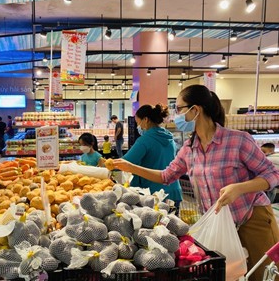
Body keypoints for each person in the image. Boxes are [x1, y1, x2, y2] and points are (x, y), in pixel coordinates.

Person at [113, 84, 279, 281]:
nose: (177, 115)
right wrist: (130, 167)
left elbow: (272, 174)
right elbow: (167, 176)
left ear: (195, 110)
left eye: (180, 108)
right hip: (218, 223)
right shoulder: (189, 148)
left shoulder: (237, 141)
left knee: (262, 276)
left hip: (252, 217)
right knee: (227, 275)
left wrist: (239, 188)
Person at [123, 104, 182, 210]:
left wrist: (106, 163)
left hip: (155, 195)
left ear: (145, 119)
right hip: (174, 191)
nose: (138, 126)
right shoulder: (169, 137)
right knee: (173, 225)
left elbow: (125, 163)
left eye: (138, 122)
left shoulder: (144, 140)